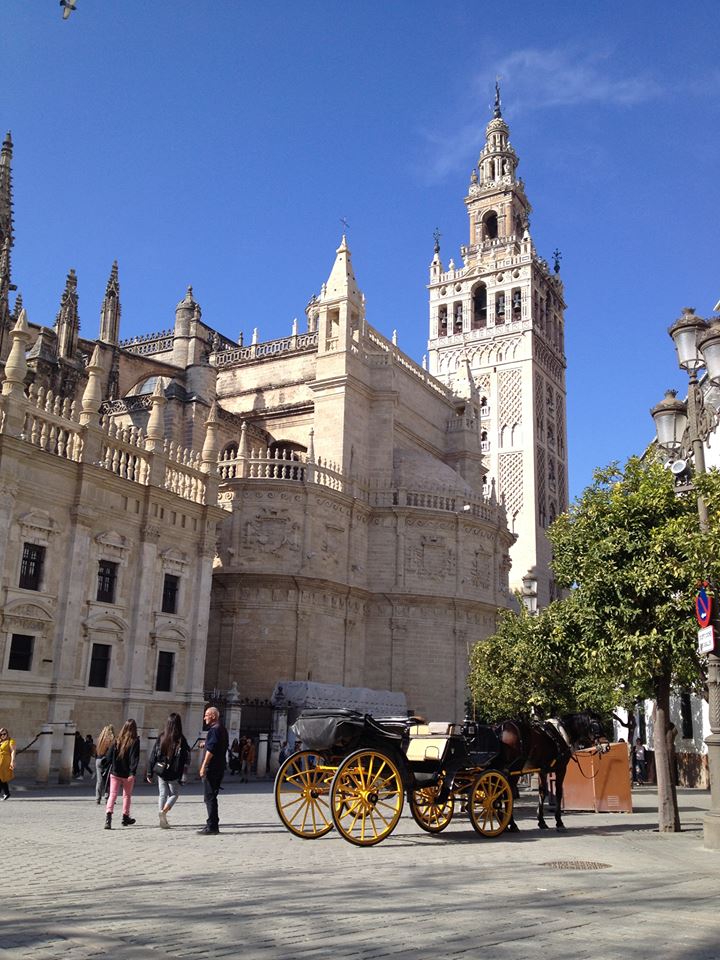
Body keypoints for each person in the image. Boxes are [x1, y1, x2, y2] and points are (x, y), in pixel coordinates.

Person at [146, 712, 190, 829]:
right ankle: (164, 812)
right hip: (174, 772)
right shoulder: (181, 739)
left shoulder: (161, 737)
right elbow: (185, 759)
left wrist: (149, 772)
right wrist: (183, 775)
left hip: (161, 770)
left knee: (162, 794)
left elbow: (153, 755)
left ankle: (162, 816)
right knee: (174, 794)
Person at [104, 718, 140, 829]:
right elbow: (134, 758)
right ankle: (125, 817)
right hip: (127, 774)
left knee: (112, 794)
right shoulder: (135, 741)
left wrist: (105, 764)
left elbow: (109, 756)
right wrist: (132, 772)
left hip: (115, 772)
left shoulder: (117, 740)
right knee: (126, 796)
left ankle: (108, 818)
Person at [198, 706, 228, 835]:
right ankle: (213, 823)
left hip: (212, 768)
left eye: (206, 715)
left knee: (209, 797)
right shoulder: (221, 729)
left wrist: (204, 765)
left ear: (214, 716)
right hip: (220, 766)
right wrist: (206, 743)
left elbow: (211, 750)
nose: (204, 717)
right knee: (212, 796)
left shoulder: (214, 730)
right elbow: (215, 744)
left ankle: (212, 826)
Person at [94, 724, 115, 804]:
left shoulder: (99, 740)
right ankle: (107, 798)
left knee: (99, 781)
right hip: (105, 760)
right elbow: (110, 753)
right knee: (108, 780)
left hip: (98, 760)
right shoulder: (110, 741)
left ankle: (97, 798)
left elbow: (95, 751)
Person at [0, 727, 16, 800]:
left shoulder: (10, 741)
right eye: (1, 734)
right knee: (2, 777)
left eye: (4, 734)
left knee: (1, 777)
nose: (2, 735)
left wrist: (12, 761)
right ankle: (7, 793)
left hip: (5, 761)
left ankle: (6, 793)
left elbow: (13, 751)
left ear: (7, 733)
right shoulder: (0, 741)